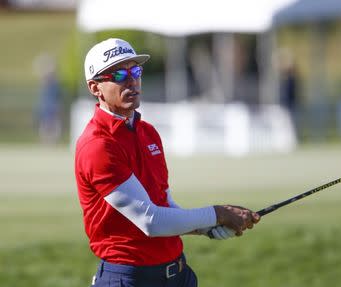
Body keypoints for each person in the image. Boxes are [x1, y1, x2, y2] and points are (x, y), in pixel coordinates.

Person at [74, 38, 260, 287]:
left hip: (177, 274)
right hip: (129, 278)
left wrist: (206, 227)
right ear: (95, 88)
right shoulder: (97, 144)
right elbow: (150, 221)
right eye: (118, 74)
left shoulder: (147, 132)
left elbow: (165, 205)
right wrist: (217, 214)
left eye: (135, 71)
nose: (131, 80)